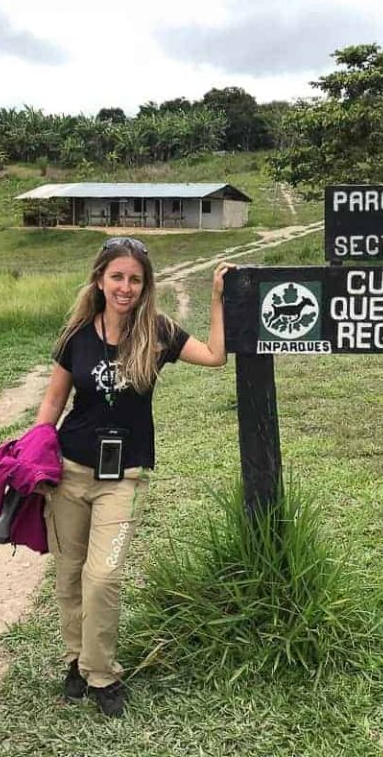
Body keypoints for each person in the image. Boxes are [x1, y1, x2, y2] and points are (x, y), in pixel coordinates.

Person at [33, 236, 233, 716]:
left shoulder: (158, 332)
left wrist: (217, 299)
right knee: (68, 575)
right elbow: (53, 404)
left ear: (145, 287)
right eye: (117, 277)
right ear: (100, 279)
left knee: (102, 576)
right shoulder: (76, 335)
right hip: (69, 472)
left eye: (135, 279)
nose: (125, 287)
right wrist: (34, 455)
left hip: (124, 476)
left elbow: (214, 356)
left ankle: (101, 675)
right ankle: (76, 661)